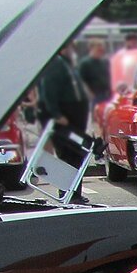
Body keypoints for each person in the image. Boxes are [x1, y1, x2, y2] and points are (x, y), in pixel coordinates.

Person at [37, 45, 91, 196]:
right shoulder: (55, 64)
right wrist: (56, 114)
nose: (72, 49)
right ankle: (68, 192)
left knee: (77, 154)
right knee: (69, 155)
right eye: (69, 47)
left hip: (74, 116)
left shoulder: (66, 63)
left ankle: (74, 193)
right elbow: (49, 91)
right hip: (65, 116)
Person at [77, 38, 111, 106]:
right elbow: (81, 81)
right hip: (96, 96)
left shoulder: (105, 62)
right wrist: (90, 94)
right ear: (91, 48)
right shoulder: (85, 63)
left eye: (102, 46)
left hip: (107, 94)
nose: (101, 48)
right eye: (98, 46)